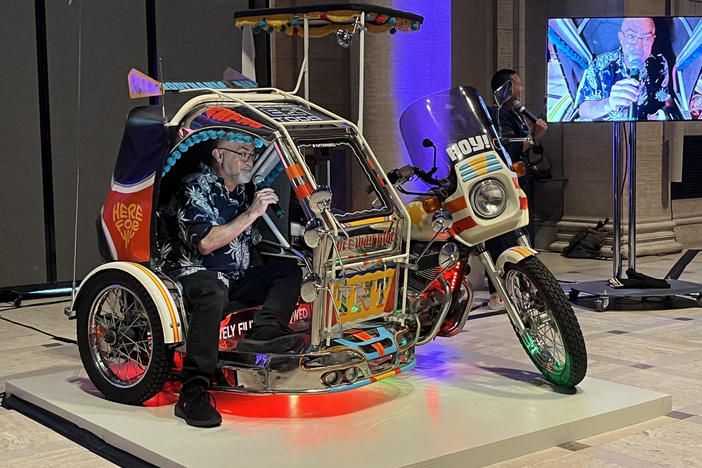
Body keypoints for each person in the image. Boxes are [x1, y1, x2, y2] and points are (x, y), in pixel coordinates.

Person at [157, 135, 304, 427]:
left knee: (290, 270)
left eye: (251, 154)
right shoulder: (195, 186)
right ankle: (193, 390)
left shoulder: (242, 190)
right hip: (192, 271)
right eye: (241, 153)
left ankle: (262, 336)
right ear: (219, 155)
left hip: (233, 275)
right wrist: (252, 213)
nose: (249, 160)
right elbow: (207, 243)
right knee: (213, 291)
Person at [487, 69, 548, 309]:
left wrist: (532, 134)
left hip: (520, 183)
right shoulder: (496, 115)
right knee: (500, 237)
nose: (521, 89)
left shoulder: (515, 114)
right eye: (518, 84)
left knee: (523, 235)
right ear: (505, 88)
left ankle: (525, 286)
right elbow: (506, 150)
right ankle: (498, 290)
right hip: (501, 186)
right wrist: (535, 134)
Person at [575, 17, 670, 121]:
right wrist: (609, 104)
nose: (638, 46)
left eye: (646, 38)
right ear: (621, 38)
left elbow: (664, 99)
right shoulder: (601, 64)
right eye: (631, 36)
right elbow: (583, 110)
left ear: (653, 39)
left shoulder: (660, 63)